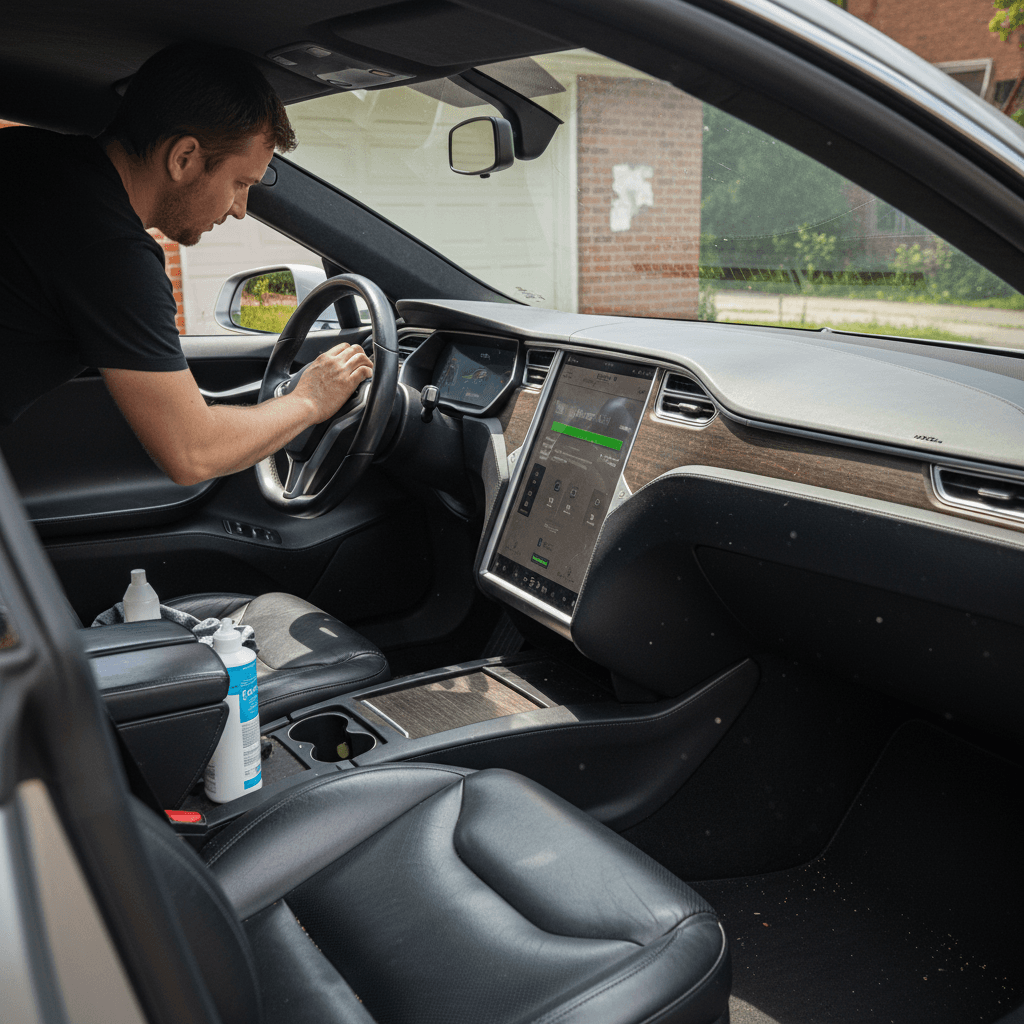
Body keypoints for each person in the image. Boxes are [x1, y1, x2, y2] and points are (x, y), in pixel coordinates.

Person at [0, 42, 372, 485]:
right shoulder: (111, 253)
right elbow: (194, 452)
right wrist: (309, 400)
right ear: (183, 158)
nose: (239, 208)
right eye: (239, 182)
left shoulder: (26, 154)